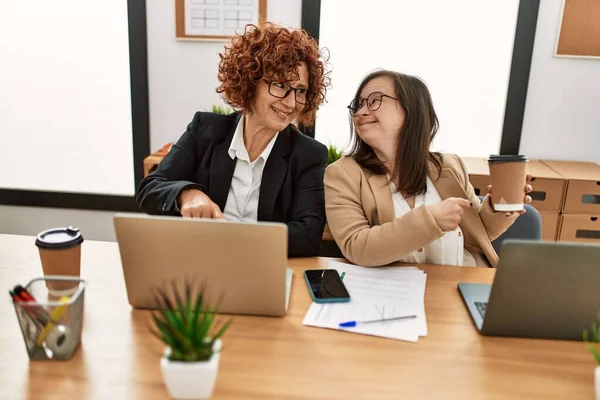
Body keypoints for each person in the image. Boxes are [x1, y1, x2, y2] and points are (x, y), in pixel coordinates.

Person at [136, 23, 330, 257]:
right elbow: (150, 189)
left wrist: (234, 239)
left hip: (262, 269)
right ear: (251, 81)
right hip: (198, 264)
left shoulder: (309, 154)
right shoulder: (205, 130)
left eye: (300, 90)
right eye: (280, 85)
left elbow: (307, 236)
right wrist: (186, 193)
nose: (291, 103)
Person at [324, 70, 532, 267]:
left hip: (461, 284)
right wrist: (430, 220)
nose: (361, 112)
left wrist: (501, 207)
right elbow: (357, 247)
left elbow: (479, 235)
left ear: (411, 109)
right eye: (358, 104)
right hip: (392, 292)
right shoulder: (342, 174)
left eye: (374, 100)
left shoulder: (450, 166)